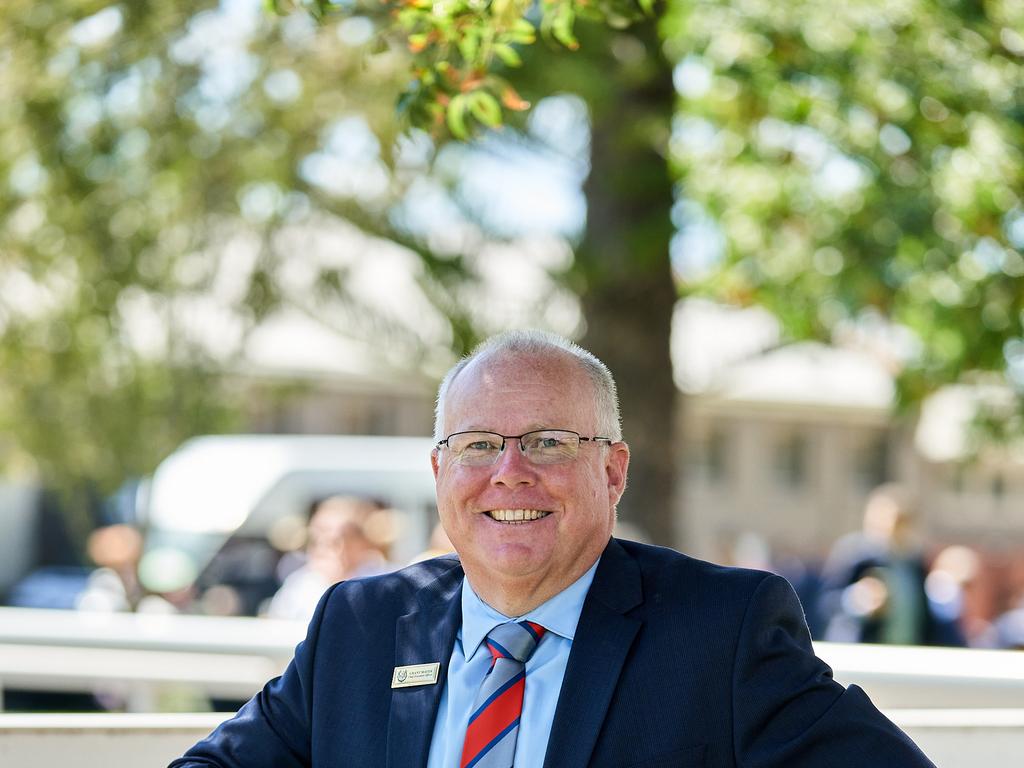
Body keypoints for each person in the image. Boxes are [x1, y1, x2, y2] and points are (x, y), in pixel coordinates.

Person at [171, 330, 935, 767]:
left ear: (612, 469)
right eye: (478, 445)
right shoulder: (364, 623)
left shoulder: (721, 633)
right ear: (441, 471)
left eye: (548, 441)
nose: (510, 474)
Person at [818, 483, 951, 646]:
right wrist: (856, 600)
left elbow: (925, 617)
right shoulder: (856, 555)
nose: (893, 528)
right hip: (863, 652)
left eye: (902, 521)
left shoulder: (914, 563)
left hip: (907, 653)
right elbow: (825, 602)